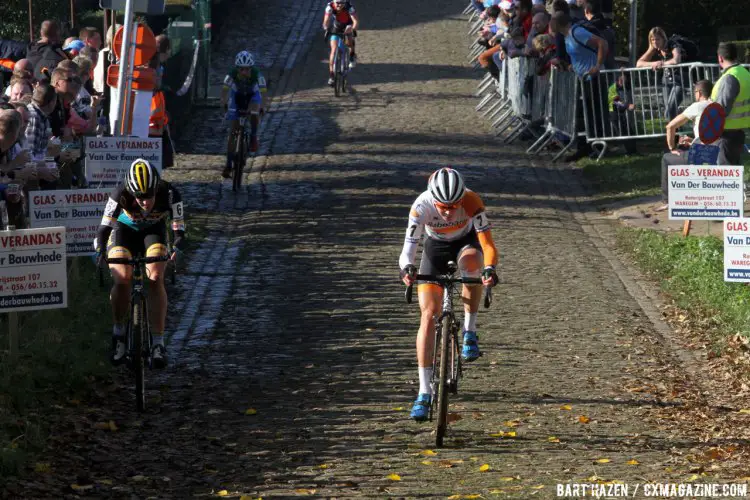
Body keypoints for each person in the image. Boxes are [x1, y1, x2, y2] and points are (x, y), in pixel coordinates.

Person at [399, 168, 499, 421]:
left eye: (453, 206)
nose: (447, 212)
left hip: (466, 244)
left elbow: (487, 244)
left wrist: (490, 269)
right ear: (432, 198)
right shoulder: (420, 206)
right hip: (435, 249)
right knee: (428, 316)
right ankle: (424, 392)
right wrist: (407, 270)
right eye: (442, 206)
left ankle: (470, 331)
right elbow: (408, 250)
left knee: (472, 267)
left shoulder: (472, 201)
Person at [94, 159, 186, 368]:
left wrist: (176, 249)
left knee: (155, 277)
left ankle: (158, 343)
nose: (145, 202)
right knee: (122, 278)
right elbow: (103, 229)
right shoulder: (120, 194)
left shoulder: (171, 194)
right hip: (123, 232)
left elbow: (179, 230)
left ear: (157, 188)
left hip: (153, 232)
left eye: (149, 196)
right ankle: (118, 334)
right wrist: (100, 251)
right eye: (139, 197)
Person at [550, 11, 610, 161]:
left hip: (594, 78)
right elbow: (579, 55)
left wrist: (597, 65)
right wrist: (572, 66)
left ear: (558, 23)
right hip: (583, 79)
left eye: (552, 21)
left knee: (595, 115)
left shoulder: (577, 32)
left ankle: (599, 148)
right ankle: (584, 148)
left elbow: (602, 43)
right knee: (583, 115)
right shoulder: (566, 37)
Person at [657, 80, 713, 210]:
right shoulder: (717, 106)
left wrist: (672, 148)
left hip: (701, 154)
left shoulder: (698, 106)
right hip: (716, 150)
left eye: (695, 93)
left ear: (698, 93)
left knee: (667, 158)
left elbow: (670, 126)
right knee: (685, 148)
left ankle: (668, 200)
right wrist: (693, 140)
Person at [220, 51, 267, 178]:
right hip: (237, 96)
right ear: (237, 69)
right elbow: (224, 91)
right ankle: (228, 164)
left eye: (247, 69)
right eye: (241, 70)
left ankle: (253, 136)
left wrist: (262, 107)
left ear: (251, 68)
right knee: (233, 131)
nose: (244, 72)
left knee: (254, 112)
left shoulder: (258, 75)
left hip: (252, 96)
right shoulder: (231, 74)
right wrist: (224, 103)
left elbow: (263, 94)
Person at [712, 42, 750, 166]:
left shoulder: (729, 77)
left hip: (726, 133)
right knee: (734, 174)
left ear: (720, 58)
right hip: (738, 131)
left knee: (726, 177)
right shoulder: (744, 73)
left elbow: (721, 108)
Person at [636, 27, 684, 121]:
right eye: (652, 39)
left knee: (670, 110)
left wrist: (661, 64)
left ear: (663, 38)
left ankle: (676, 133)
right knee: (670, 111)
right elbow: (639, 64)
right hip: (666, 80)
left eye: (657, 39)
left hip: (680, 79)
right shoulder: (654, 48)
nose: (655, 42)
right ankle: (676, 135)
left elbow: (676, 60)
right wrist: (653, 64)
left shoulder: (673, 44)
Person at [323, 0, 360, 86]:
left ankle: (352, 55)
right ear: (334, 2)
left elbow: (355, 21)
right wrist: (326, 28)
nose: (339, 5)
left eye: (342, 3)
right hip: (337, 26)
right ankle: (331, 75)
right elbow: (326, 21)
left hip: (348, 25)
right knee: (333, 49)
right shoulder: (330, 7)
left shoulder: (349, 7)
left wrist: (353, 29)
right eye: (338, 3)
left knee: (349, 41)